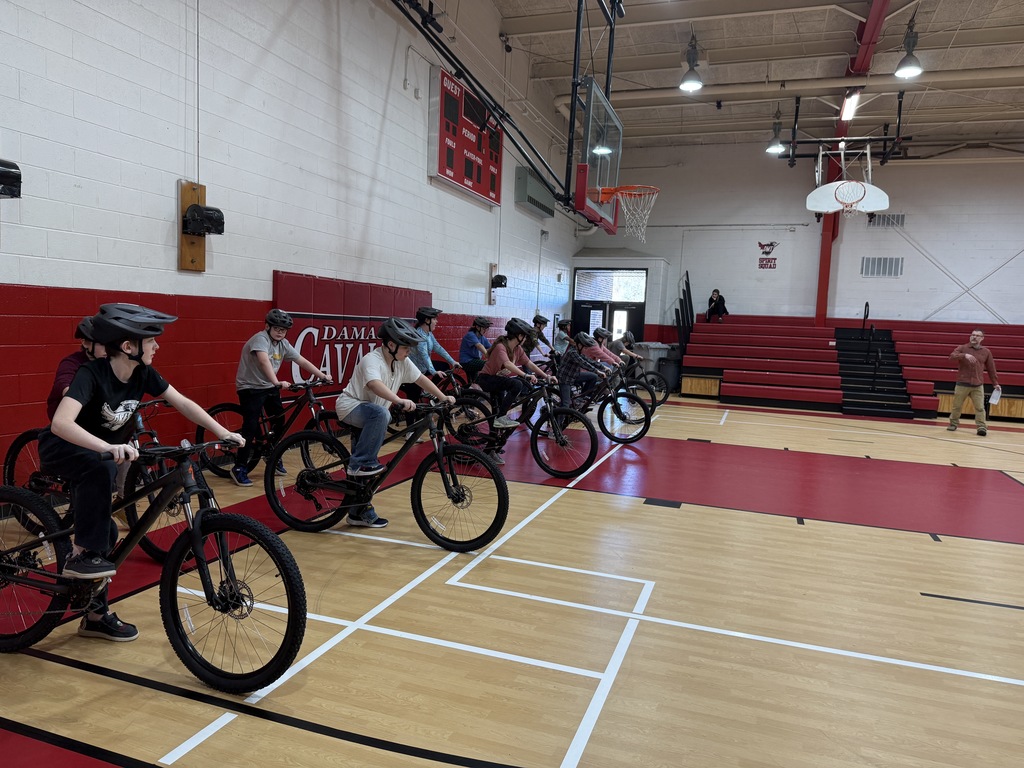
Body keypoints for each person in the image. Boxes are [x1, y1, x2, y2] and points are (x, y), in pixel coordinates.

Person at [38, 303, 245, 642]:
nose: (157, 346)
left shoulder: (143, 374)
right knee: (101, 470)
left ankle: (94, 616)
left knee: (108, 533)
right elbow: (61, 423)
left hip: (100, 456)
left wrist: (221, 431)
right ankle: (80, 556)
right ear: (128, 346)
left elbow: (182, 402)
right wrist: (107, 447)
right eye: (151, 340)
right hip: (63, 447)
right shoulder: (91, 373)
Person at [334, 317, 456, 527]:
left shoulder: (402, 361)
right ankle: (358, 464)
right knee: (382, 415)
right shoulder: (372, 360)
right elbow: (374, 384)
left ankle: (357, 512)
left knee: (382, 417)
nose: (409, 351)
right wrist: (399, 400)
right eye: (406, 347)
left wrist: (443, 396)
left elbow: (421, 379)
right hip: (351, 407)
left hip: (374, 413)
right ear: (391, 345)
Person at [231, 309, 333, 487]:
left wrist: (322, 376)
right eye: (277, 328)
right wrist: (276, 382)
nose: (280, 332)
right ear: (267, 327)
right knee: (251, 426)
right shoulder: (260, 339)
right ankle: (239, 467)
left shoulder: (283, 344)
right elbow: (263, 361)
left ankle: (270, 452)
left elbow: (301, 361)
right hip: (250, 388)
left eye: (283, 330)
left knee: (279, 420)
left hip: (269, 386)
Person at [476, 317, 557, 437]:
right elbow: (507, 364)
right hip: (486, 379)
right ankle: (500, 418)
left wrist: (546, 376)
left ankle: (493, 440)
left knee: (498, 413)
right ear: (519, 336)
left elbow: (529, 363)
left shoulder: (517, 349)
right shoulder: (500, 347)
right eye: (525, 336)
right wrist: (525, 375)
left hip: (497, 380)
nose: (526, 339)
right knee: (516, 384)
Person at [404, 306, 461, 426]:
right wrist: (434, 371)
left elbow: (438, 348)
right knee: (412, 399)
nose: (437, 321)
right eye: (434, 319)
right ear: (427, 320)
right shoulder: (419, 335)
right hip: (413, 372)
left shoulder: (428, 334)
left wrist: (452, 361)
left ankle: (428, 390)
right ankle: (409, 430)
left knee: (444, 366)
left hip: (423, 368)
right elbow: (424, 356)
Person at [46, 317, 108, 421]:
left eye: (110, 344)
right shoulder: (72, 362)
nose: (107, 349)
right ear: (85, 343)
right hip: (71, 418)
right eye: (102, 344)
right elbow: (63, 383)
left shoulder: (111, 361)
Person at [947, 329, 1001, 436]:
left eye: (977, 335)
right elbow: (951, 356)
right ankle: (953, 423)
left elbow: (991, 368)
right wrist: (964, 355)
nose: (974, 337)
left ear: (982, 338)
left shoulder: (986, 352)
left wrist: (995, 383)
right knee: (957, 406)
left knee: (980, 407)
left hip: (978, 385)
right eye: (972, 335)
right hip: (962, 383)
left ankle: (981, 427)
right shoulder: (962, 348)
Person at [557, 332, 606, 409]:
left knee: (593, 377)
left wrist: (603, 367)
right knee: (566, 405)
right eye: (585, 347)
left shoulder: (578, 351)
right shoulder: (572, 352)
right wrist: (597, 371)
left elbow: (588, 360)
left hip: (574, 375)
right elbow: (583, 363)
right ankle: (560, 417)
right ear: (579, 345)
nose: (586, 349)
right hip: (565, 379)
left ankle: (581, 399)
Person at [459, 316, 492, 381]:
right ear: (477, 327)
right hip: (467, 362)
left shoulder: (482, 337)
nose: (485, 330)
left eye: (486, 328)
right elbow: (479, 345)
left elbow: (492, 348)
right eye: (484, 328)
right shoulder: (470, 335)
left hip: (474, 361)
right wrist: (487, 354)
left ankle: (471, 387)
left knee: (474, 381)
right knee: (488, 364)